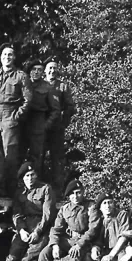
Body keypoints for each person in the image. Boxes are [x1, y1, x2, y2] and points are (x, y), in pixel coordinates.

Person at [37, 180, 101, 261]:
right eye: (72, 194)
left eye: (78, 193)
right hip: (69, 239)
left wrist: (79, 244)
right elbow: (56, 228)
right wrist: (55, 244)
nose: (75, 196)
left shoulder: (91, 207)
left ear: (83, 192)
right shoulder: (65, 208)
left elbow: (93, 229)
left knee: (74, 255)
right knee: (44, 253)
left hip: (86, 241)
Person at [0, 163, 56, 261]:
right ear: (22, 179)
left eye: (32, 175)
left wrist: (38, 232)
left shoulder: (46, 189)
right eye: (27, 176)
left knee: (30, 257)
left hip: (41, 228)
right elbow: (17, 214)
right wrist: (21, 230)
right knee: (13, 254)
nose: (30, 178)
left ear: (37, 176)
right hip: (24, 227)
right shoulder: (20, 192)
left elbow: (48, 214)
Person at [0, 44, 33, 190]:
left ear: (14, 57)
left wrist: (16, 116)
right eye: (4, 55)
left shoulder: (21, 76)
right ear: (0, 58)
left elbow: (28, 100)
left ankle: (10, 190)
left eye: (10, 55)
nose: (7, 57)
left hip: (9, 116)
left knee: (10, 154)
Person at [22, 59, 60, 174]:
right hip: (23, 122)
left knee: (37, 157)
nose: (36, 72)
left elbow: (55, 110)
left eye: (39, 70)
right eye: (34, 69)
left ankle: (36, 183)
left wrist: (46, 125)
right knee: (19, 154)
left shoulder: (48, 87)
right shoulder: (23, 84)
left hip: (38, 123)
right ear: (29, 71)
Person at [44, 57, 76, 189]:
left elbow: (70, 107)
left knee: (57, 159)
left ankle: (58, 189)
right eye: (50, 68)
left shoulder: (63, 86)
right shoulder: (39, 85)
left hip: (57, 128)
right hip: (41, 127)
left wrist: (64, 123)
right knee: (39, 157)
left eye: (55, 68)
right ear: (45, 71)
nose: (52, 71)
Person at [95, 193, 131, 261]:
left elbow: (124, 237)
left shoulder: (121, 215)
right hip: (106, 250)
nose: (107, 206)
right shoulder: (99, 220)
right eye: (104, 203)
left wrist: (111, 255)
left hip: (121, 249)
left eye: (110, 202)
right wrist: (95, 248)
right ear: (100, 208)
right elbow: (95, 238)